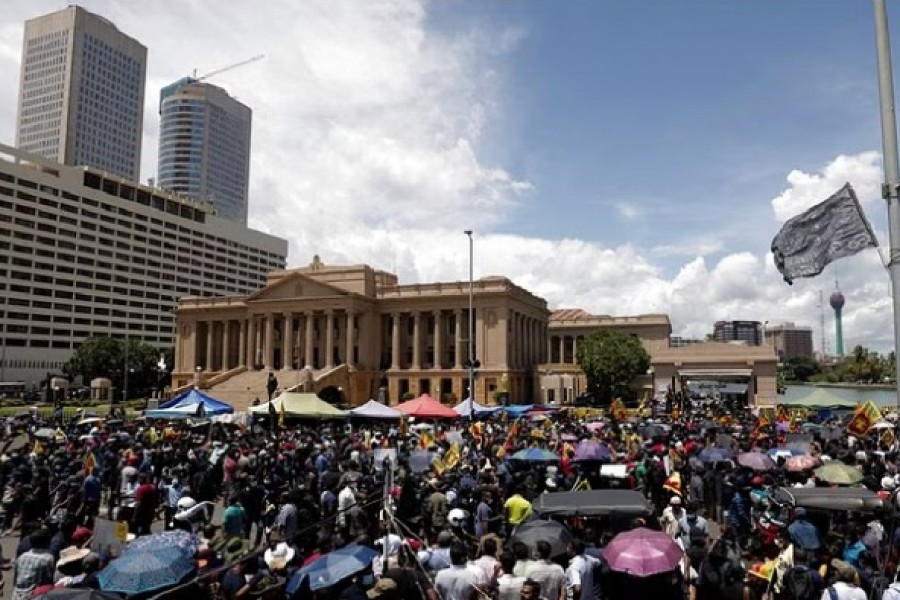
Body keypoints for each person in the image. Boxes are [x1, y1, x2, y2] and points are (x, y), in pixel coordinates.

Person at [12, 529, 55, 600]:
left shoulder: (22, 556)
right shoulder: (48, 558)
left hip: (17, 595)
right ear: (47, 542)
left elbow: (15, 580)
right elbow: (49, 581)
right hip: (35, 595)